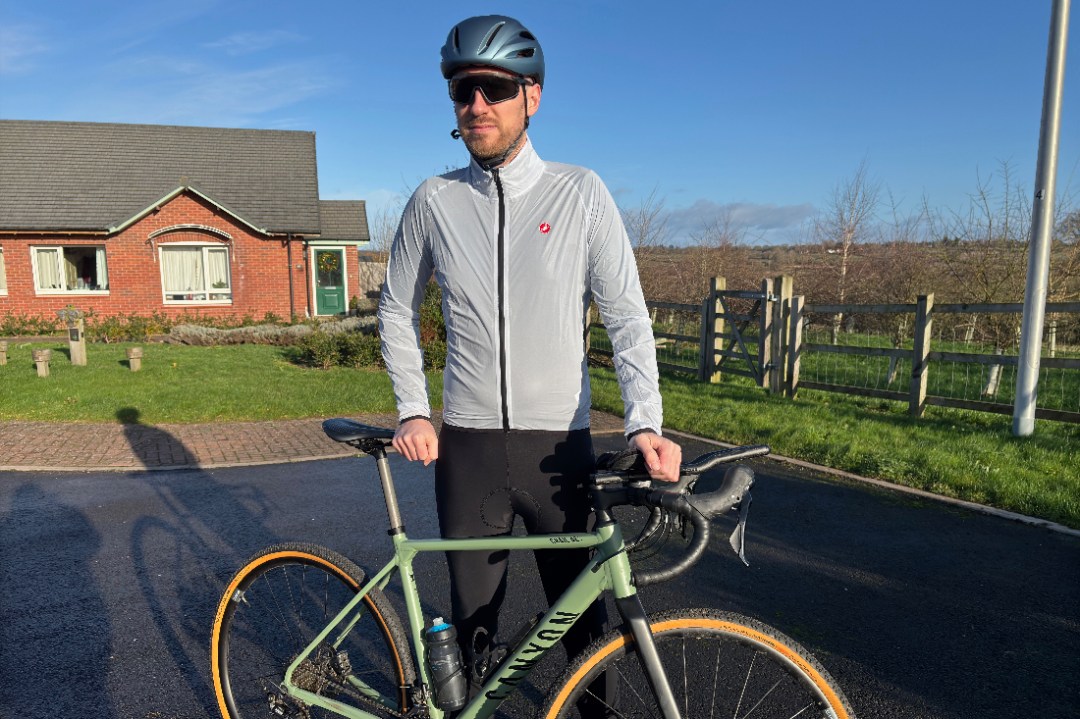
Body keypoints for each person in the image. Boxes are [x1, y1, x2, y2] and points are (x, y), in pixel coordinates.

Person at [378, 13, 682, 701]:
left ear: (532, 96)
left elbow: (628, 317)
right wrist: (413, 409)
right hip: (469, 450)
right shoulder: (434, 200)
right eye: (462, 90)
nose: (476, 105)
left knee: (587, 638)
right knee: (474, 636)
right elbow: (395, 308)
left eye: (493, 87)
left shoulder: (582, 194)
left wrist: (645, 423)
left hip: (560, 454)